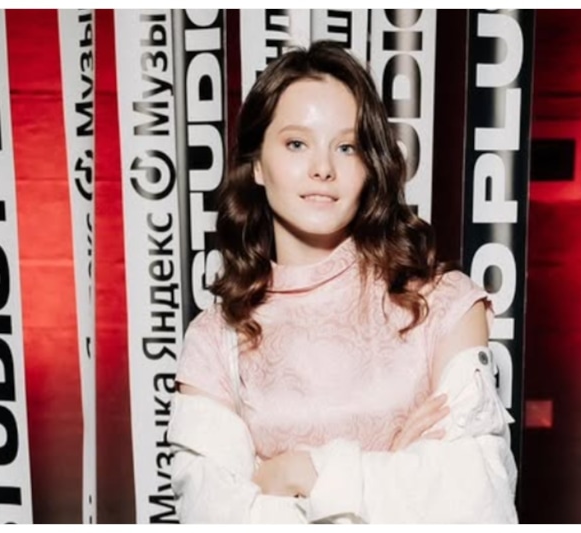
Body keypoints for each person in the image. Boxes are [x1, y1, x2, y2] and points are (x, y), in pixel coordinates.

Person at [168, 40, 518, 524]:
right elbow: (212, 520)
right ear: (257, 165)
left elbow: (481, 505)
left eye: (347, 146)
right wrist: (396, 469)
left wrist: (298, 474)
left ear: (370, 165)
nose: (323, 169)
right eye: (296, 143)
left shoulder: (443, 303)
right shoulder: (215, 338)